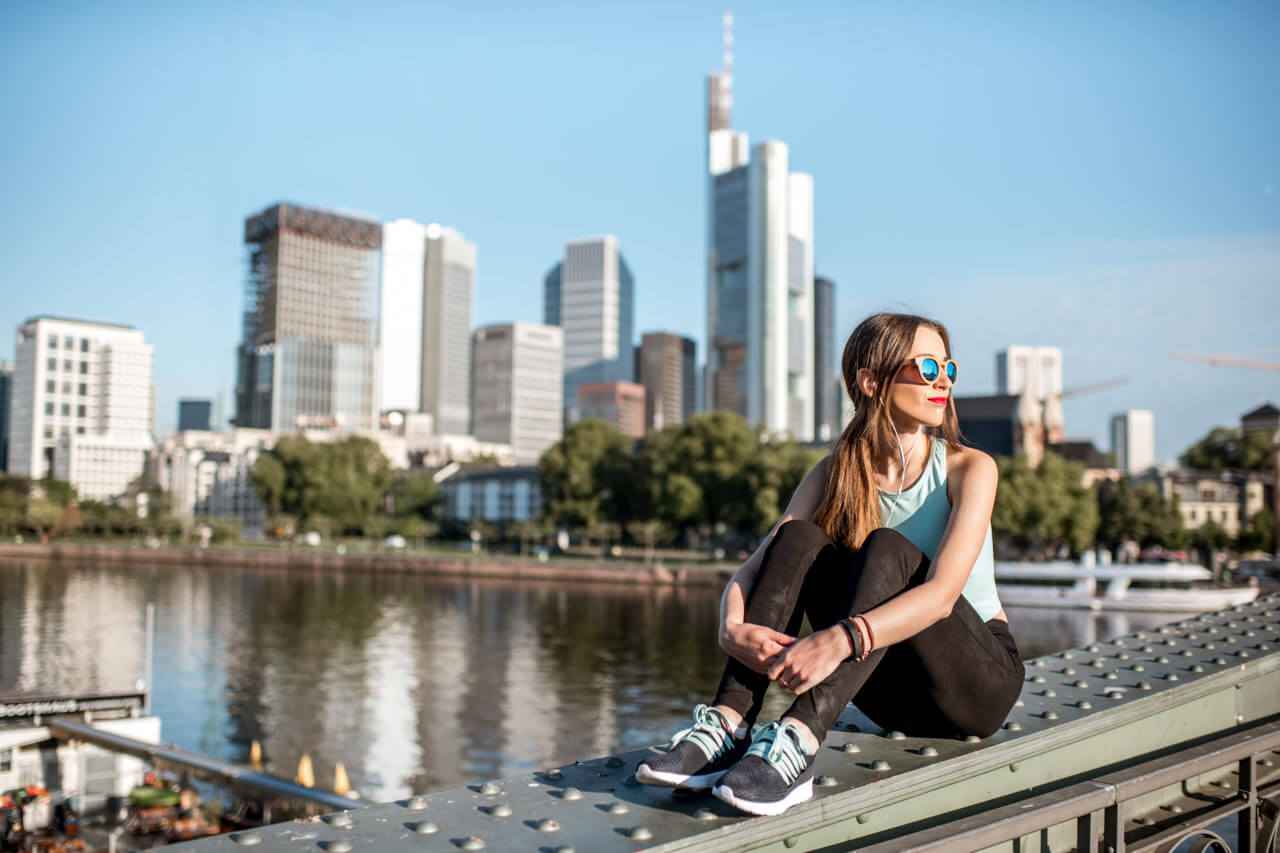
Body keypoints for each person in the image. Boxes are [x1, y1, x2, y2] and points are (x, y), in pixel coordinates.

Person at [635, 312, 1024, 816]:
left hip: (976, 686)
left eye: (948, 368)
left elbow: (943, 594)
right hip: (888, 690)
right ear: (870, 381)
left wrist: (839, 639)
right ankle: (729, 722)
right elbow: (757, 566)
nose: (943, 381)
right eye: (927, 367)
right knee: (798, 538)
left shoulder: (969, 468)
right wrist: (730, 626)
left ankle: (799, 737)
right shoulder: (835, 472)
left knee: (886, 547)